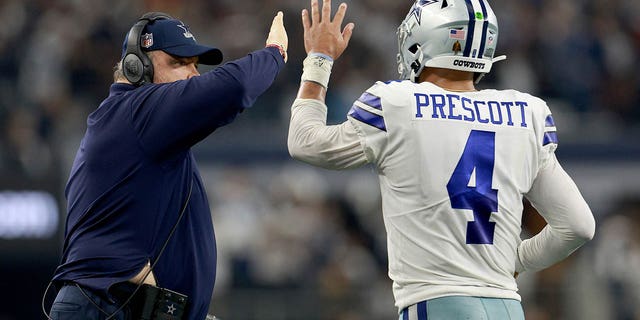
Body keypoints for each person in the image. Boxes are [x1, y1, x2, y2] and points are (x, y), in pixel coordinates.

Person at [287, 0, 596, 319]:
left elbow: (305, 143)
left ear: (423, 40)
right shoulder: (526, 113)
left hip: (436, 303)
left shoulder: (397, 103)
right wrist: (515, 261)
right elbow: (578, 226)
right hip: (507, 306)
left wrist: (318, 60)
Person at [46, 10, 287, 320]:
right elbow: (236, 87)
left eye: (195, 66)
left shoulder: (139, 126)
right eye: (178, 63)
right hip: (103, 306)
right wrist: (275, 52)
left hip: (118, 307)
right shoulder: (136, 110)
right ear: (137, 68)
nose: (193, 75)